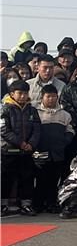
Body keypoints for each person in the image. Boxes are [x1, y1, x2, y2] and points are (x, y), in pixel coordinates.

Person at [1, 80, 41, 216]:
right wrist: (20, 143)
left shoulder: (32, 109)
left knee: (27, 177)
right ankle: (3, 204)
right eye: (20, 93)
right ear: (12, 94)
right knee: (6, 177)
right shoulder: (5, 109)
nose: (23, 96)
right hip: (9, 150)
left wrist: (31, 144)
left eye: (25, 93)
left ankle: (26, 204)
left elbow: (37, 129)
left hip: (27, 151)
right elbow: (4, 130)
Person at [33, 85, 74, 213]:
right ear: (42, 97)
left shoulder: (64, 114)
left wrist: (64, 141)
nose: (51, 99)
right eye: (48, 96)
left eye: (54, 97)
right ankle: (38, 204)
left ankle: (51, 203)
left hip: (57, 153)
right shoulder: (35, 112)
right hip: (40, 152)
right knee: (40, 179)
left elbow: (70, 130)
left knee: (54, 179)